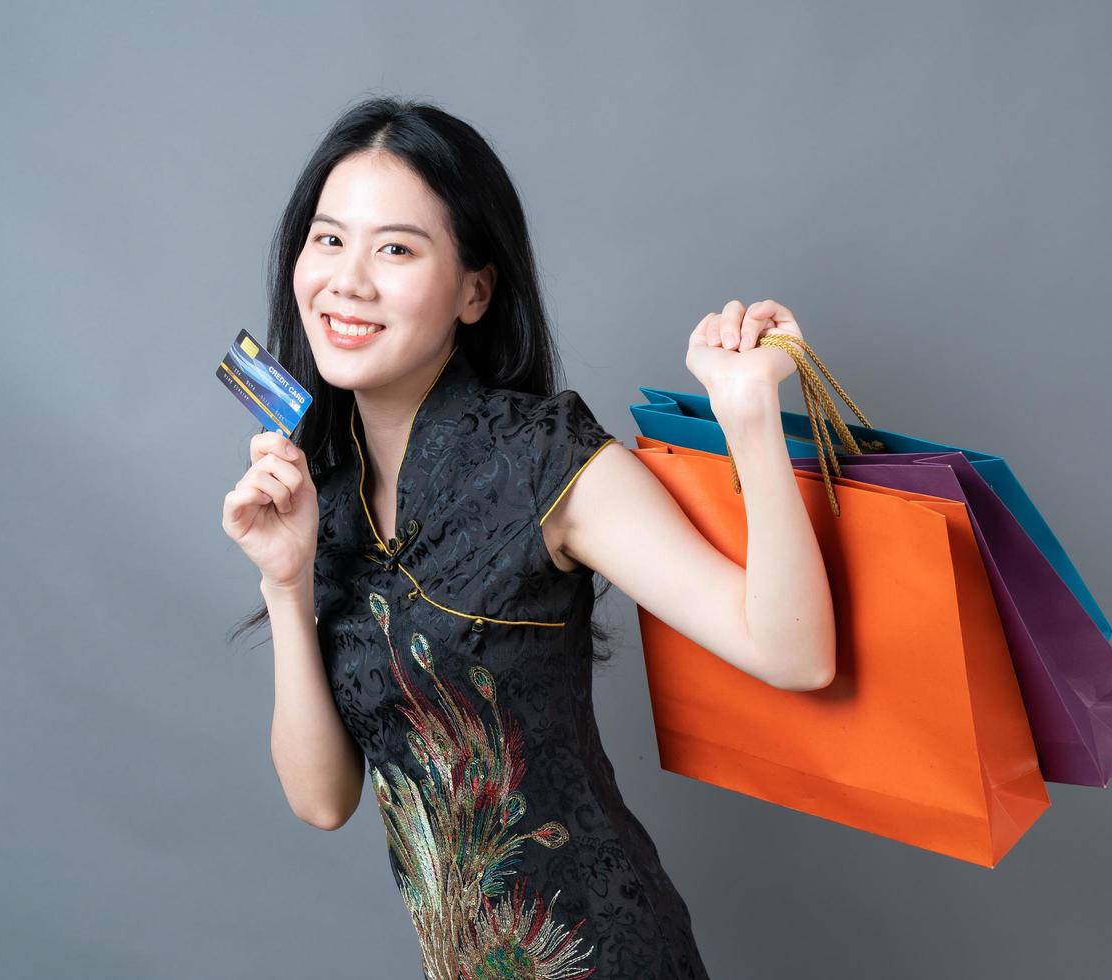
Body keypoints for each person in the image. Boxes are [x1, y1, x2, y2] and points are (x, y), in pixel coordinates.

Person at [222, 96, 836, 980]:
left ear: (475, 289)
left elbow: (794, 654)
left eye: (395, 248)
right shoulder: (321, 495)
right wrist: (285, 581)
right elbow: (323, 800)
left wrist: (749, 420)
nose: (347, 281)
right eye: (328, 239)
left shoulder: (545, 461)